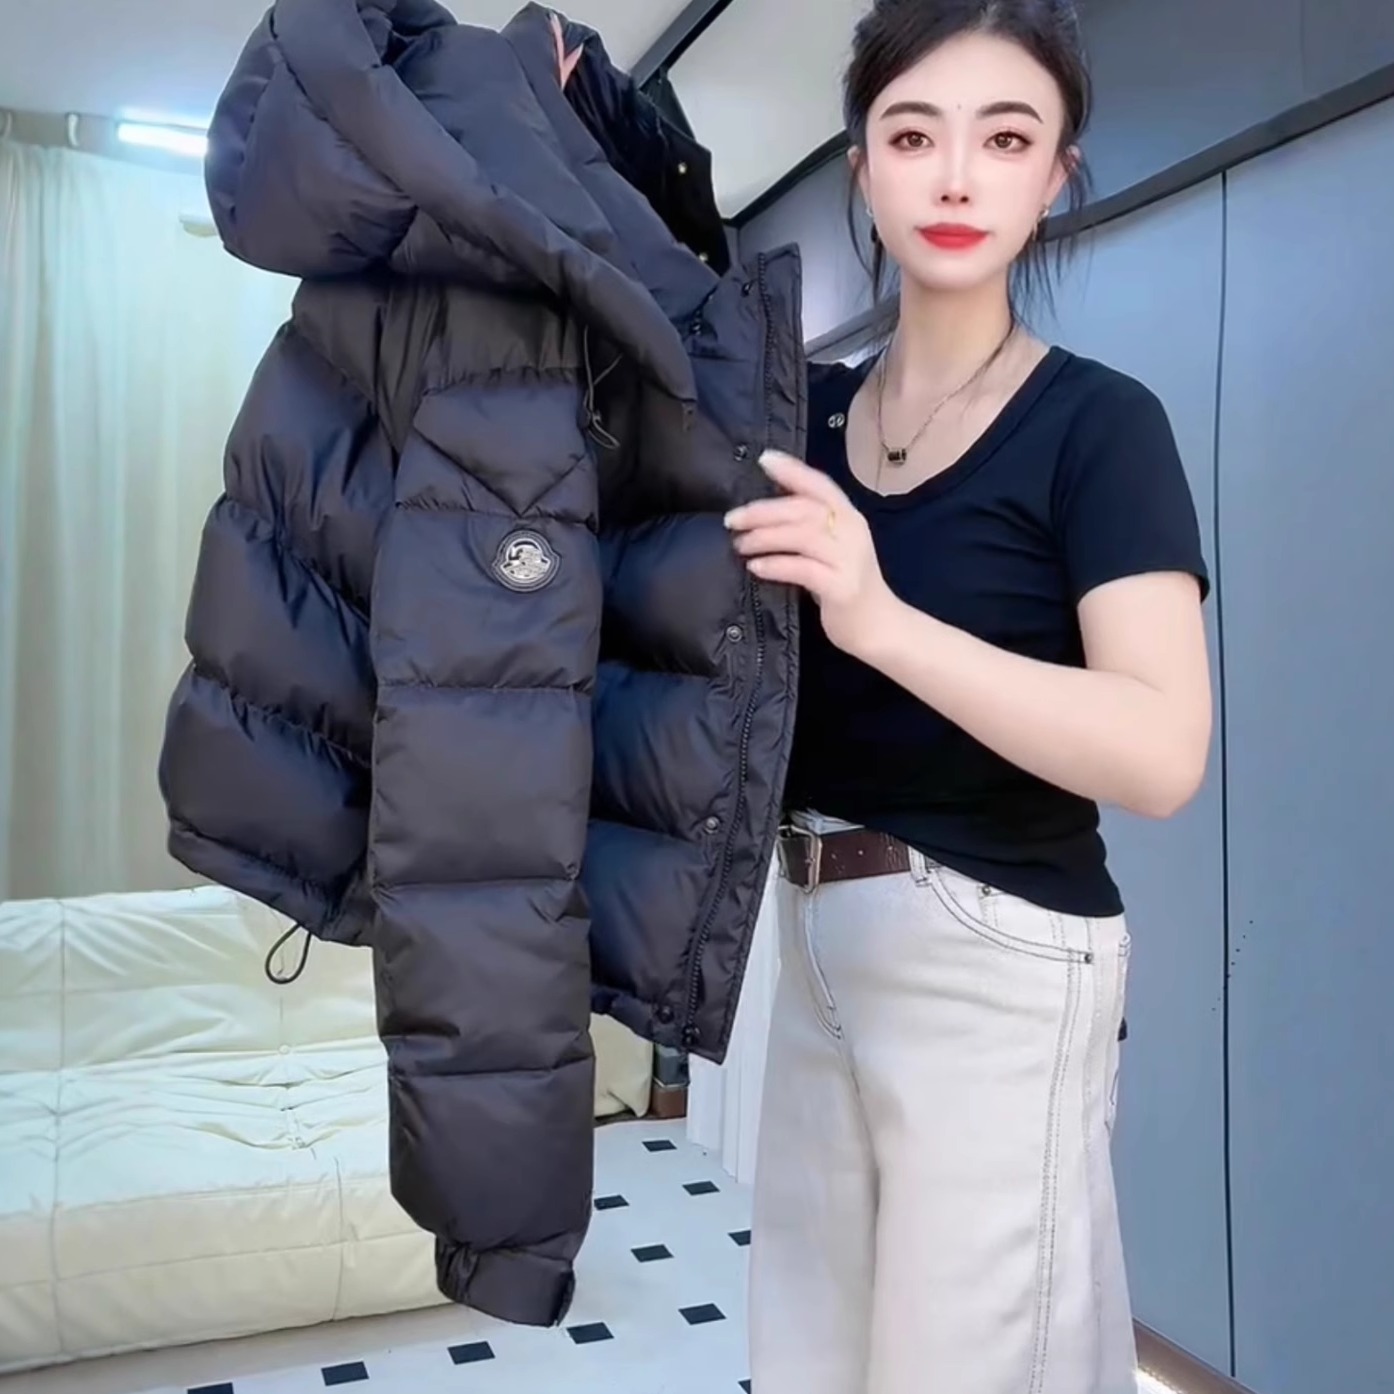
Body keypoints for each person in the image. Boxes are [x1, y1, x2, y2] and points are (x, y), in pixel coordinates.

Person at [553, 0, 1211, 1387]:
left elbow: (1161, 750)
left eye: (1005, 139)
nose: (956, 177)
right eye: (914, 136)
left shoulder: (1100, 426)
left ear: (1057, 174)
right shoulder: (803, 413)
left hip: (1002, 956)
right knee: (812, 1357)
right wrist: (589, 129)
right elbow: (660, 325)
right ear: (862, 167)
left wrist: (881, 619)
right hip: (812, 938)